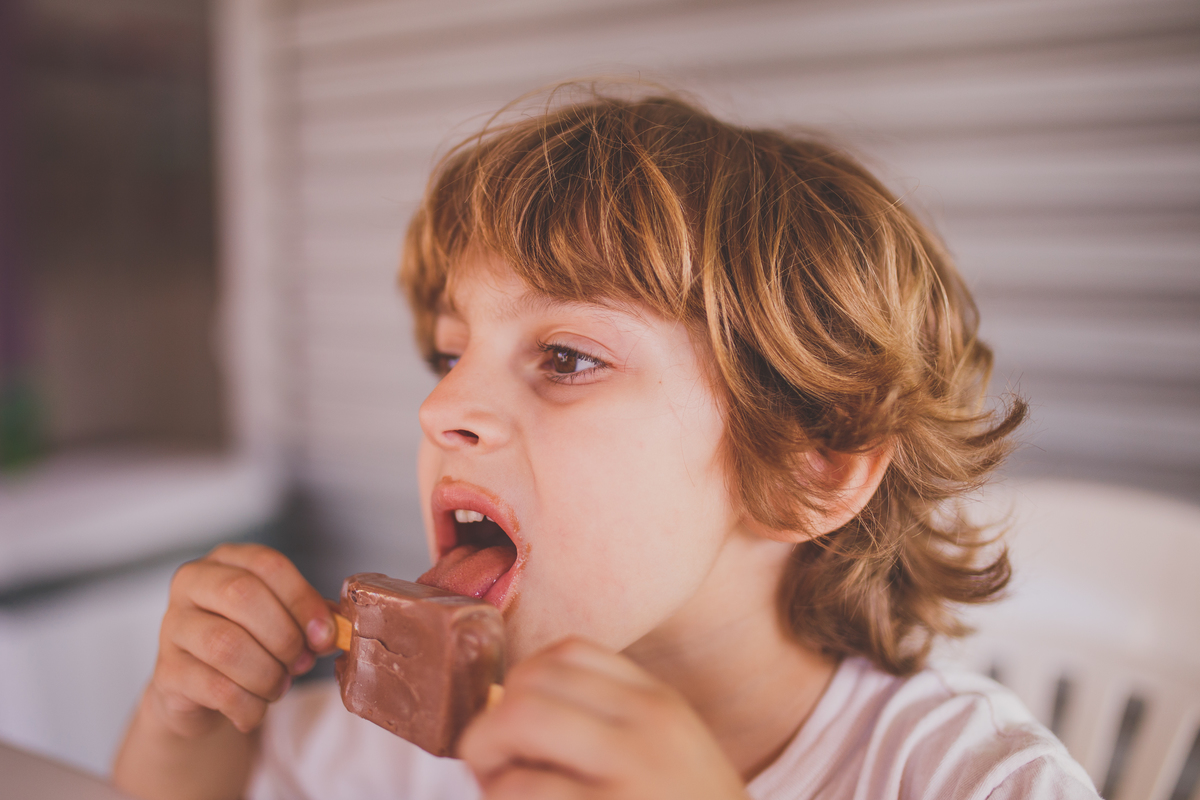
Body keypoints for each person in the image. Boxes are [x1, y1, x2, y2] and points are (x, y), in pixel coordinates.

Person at [113, 86, 1098, 799]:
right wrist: (188, 725)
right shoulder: (408, 733)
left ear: (813, 467)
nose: (443, 406)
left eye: (567, 357)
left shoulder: (965, 775)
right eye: (450, 354)